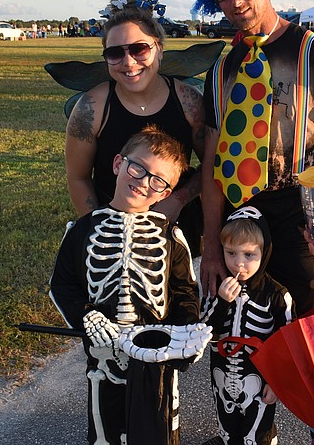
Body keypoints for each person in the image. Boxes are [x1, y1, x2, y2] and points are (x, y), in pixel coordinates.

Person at [186, 0, 314, 445]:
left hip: (299, 207)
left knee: (309, 329)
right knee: (240, 330)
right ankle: (249, 434)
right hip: (241, 213)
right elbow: (215, 161)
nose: (234, 2)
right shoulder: (222, 68)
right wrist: (211, 244)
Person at [49, 125, 209, 445]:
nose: (143, 183)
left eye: (157, 180)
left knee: (159, 430)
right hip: (103, 358)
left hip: (156, 361)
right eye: (138, 168)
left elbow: (184, 291)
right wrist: (87, 316)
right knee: (105, 431)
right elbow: (62, 284)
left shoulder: (170, 236)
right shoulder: (82, 231)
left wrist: (185, 330)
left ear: (165, 192)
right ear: (118, 164)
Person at [64, 0, 205, 254]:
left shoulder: (189, 102)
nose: (129, 62)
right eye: (115, 53)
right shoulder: (91, 108)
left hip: (177, 229)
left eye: (140, 49)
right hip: (113, 234)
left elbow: (212, 164)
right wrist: (101, 227)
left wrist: (178, 200)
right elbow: (78, 176)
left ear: (159, 50)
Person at [202, 206, 295, 445]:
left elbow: (288, 345)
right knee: (227, 433)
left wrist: (277, 383)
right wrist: (221, 302)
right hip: (222, 375)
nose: (238, 264)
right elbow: (204, 331)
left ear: (264, 253)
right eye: (230, 253)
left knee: (255, 437)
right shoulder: (218, 288)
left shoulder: (276, 295)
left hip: (259, 379)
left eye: (248, 255)